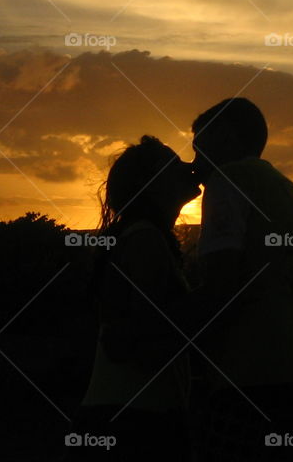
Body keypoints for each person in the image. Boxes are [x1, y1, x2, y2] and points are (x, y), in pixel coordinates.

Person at [189, 98, 293, 460]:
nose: (195, 163)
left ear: (225, 137)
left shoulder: (227, 181)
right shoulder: (292, 192)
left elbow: (220, 284)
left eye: (199, 147)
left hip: (248, 375)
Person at [68, 135, 200, 461]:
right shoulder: (145, 239)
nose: (189, 168)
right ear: (153, 184)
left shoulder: (140, 236)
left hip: (127, 413)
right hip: (134, 421)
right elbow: (144, 342)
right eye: (173, 164)